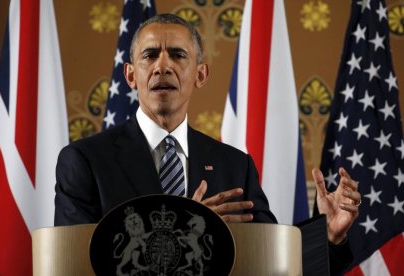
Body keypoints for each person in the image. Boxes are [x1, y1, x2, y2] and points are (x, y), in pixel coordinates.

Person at [54, 13, 361, 274]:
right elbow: (76, 265)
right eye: (150, 55)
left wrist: (328, 235)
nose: (162, 66)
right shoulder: (84, 160)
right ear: (131, 75)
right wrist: (185, 227)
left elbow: (268, 261)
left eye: (177, 54)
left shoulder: (235, 165)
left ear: (200, 74)